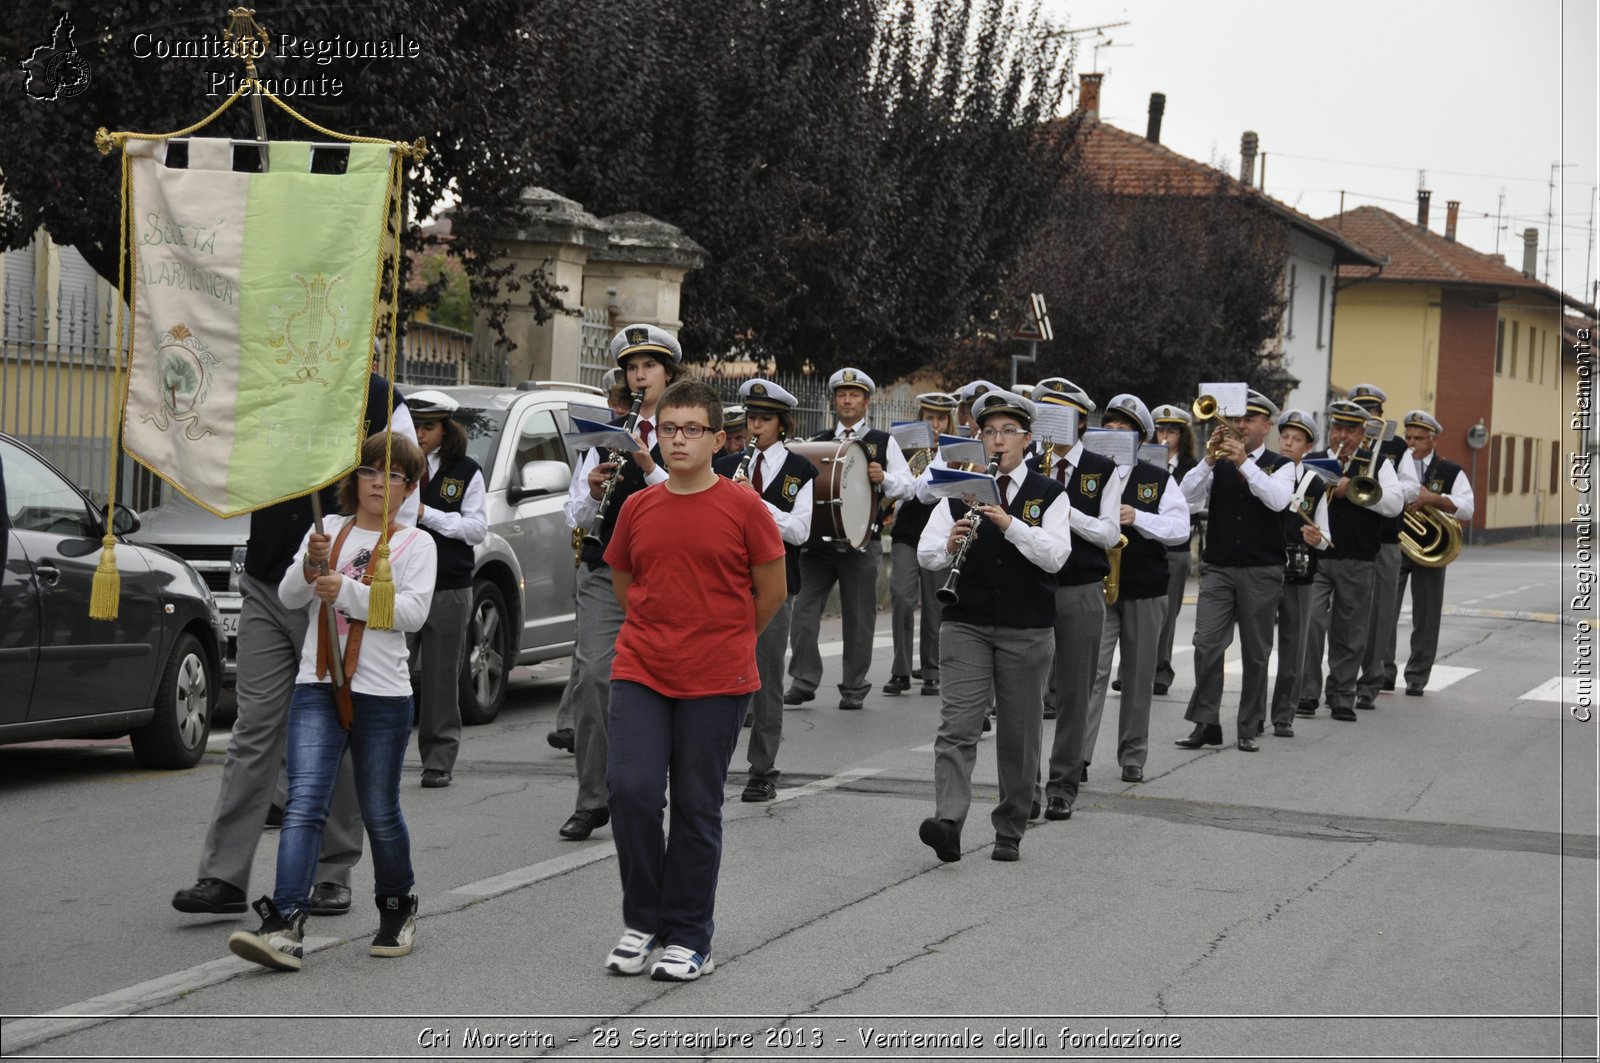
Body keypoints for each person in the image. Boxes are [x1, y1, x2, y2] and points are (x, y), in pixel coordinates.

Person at [173, 373, 413, 919]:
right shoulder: (267, 378)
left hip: (332, 589)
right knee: (254, 729)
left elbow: (405, 494)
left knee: (338, 722)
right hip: (268, 577)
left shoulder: (381, 399)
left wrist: (368, 578)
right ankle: (223, 875)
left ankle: (333, 872)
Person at [227, 432, 437, 971]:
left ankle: (397, 906)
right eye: (369, 472)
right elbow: (289, 597)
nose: (378, 484)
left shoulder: (417, 544)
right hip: (317, 684)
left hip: (382, 693)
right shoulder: (327, 533)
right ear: (354, 480)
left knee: (379, 811)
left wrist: (342, 588)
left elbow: (409, 614)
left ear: (408, 488)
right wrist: (308, 567)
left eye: (392, 476)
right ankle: (286, 923)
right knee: (303, 805)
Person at [601, 379, 787, 981]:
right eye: (669, 429)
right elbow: (627, 586)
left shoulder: (744, 508)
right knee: (630, 791)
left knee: (694, 804)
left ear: (715, 438)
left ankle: (690, 936)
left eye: (692, 430)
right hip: (642, 667)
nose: (678, 439)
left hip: (717, 676)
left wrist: (724, 637)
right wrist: (663, 630)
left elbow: (772, 591)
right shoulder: (638, 507)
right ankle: (644, 920)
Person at [916, 390, 1072, 863]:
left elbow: (1056, 556)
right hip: (966, 621)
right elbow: (926, 555)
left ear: (1027, 439)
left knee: (1019, 734)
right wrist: (949, 542)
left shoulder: (1050, 494)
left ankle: (1010, 827)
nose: (997, 440)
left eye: (1007, 432)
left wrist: (1010, 523)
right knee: (957, 726)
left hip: (1027, 628)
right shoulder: (961, 487)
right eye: (988, 432)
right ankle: (948, 823)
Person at [559, 324, 681, 840]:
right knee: (593, 678)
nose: (639, 376)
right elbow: (574, 516)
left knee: (662, 682)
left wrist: (648, 464)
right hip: (606, 567)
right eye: (631, 368)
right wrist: (591, 490)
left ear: (668, 375)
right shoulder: (604, 433)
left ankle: (648, 786)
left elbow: (691, 498)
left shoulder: (684, 430)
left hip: (667, 573)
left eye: (648, 367)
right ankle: (593, 798)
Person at [784, 368, 914, 711]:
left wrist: (883, 477)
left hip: (861, 542)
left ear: (866, 401)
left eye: (854, 394)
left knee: (859, 619)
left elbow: (909, 486)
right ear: (835, 400)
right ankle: (804, 679)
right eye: (842, 394)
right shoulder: (818, 440)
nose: (847, 400)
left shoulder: (883, 442)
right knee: (804, 613)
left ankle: (854, 685)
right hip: (818, 544)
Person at [1175, 389, 1296, 753]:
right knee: (1207, 644)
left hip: (1262, 569)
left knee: (1256, 651)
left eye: (1249, 420)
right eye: (1237, 419)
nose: (1240, 425)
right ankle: (1207, 722)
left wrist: (1244, 463)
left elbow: (1277, 500)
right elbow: (1185, 499)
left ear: (1266, 425)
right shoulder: (1220, 462)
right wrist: (1209, 460)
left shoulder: (1282, 464)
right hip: (1220, 566)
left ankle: (1249, 724)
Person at [713, 379, 816, 801]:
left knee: (766, 677)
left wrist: (757, 503)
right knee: (718, 677)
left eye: (765, 419)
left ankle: (762, 769)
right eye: (752, 418)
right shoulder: (723, 466)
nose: (756, 427)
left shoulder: (801, 471)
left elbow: (800, 531)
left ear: (782, 424)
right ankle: (712, 764)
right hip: (724, 583)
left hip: (775, 584)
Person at [1080, 396, 1191, 783]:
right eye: (1107, 428)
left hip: (1145, 588)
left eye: (1122, 430)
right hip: (1098, 585)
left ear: (1140, 440)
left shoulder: (1157, 479)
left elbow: (1180, 529)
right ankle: (1079, 757)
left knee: (1139, 676)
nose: (1113, 435)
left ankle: (1132, 756)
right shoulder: (1087, 474)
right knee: (1091, 673)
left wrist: (1138, 516)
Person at [1030, 381, 1123, 820]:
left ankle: (1062, 785)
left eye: (1060, 413)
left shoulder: (1102, 469)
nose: (1049, 420)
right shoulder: (1027, 461)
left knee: (1073, 692)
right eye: (1044, 412)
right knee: (1025, 690)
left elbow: (1109, 533)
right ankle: (1024, 783)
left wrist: (1063, 505)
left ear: (1080, 419)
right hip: (1031, 586)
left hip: (1081, 588)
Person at [1296, 401, 1406, 722]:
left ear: (1362, 433)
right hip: (1316, 555)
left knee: (1350, 629)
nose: (1341, 436)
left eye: (1349, 430)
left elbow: (1395, 503)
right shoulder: (1313, 460)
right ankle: (1306, 692)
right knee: (1311, 623)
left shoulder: (1375, 463)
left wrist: (1353, 491)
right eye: (1336, 428)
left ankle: (1342, 694)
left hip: (1358, 557)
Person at [404, 390, 488, 788]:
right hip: (400, 583)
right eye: (415, 425)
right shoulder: (393, 465)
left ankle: (438, 760)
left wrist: (427, 514)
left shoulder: (466, 470)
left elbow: (475, 529)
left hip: (448, 586)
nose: (420, 434)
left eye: (428, 427)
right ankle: (378, 753)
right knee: (388, 671)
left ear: (446, 429)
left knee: (441, 678)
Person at [1394, 410, 1473, 696]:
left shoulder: (1450, 470)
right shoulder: (1394, 464)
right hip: (1396, 545)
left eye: (1419, 438)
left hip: (1432, 549)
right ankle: (1382, 672)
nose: (1412, 443)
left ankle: (1417, 676)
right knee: (1385, 612)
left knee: (1426, 616)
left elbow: (1467, 507)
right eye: (1408, 437)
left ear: (1433, 439)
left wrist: (1434, 499)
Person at [885, 392, 957, 697]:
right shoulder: (906, 448)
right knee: (901, 597)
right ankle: (900, 670)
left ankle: (932, 670)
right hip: (907, 529)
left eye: (941, 418)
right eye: (929, 418)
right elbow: (903, 489)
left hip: (940, 529)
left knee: (935, 603)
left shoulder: (957, 450)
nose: (936, 424)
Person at [1346, 383, 1415, 700]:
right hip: (1348, 539)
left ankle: (1371, 680)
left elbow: (1410, 490)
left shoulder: (1397, 447)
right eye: (1362, 413)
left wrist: (1381, 486)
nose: (1369, 418)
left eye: (1372, 412)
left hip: (1385, 539)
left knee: (1381, 614)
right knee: (1347, 613)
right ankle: (1342, 676)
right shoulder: (1344, 447)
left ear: (1381, 415)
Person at [1270, 409, 1328, 734]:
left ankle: (1283, 715)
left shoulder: (1315, 484)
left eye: (1296, 439)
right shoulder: (1264, 472)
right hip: (1264, 569)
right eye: (1285, 437)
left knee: (1294, 648)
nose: (1288, 443)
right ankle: (1251, 714)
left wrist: (1317, 538)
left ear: (1307, 446)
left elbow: (1327, 537)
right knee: (1260, 646)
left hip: (1299, 573)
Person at [1151, 404, 1200, 696]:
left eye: (1171, 431)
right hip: (1145, 544)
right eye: (1161, 430)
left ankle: (1161, 670)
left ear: (1183, 435)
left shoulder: (1191, 467)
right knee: (1141, 610)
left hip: (1174, 547)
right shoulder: (1144, 461)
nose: (1165, 437)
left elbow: (1189, 505)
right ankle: (1137, 668)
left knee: (1167, 612)